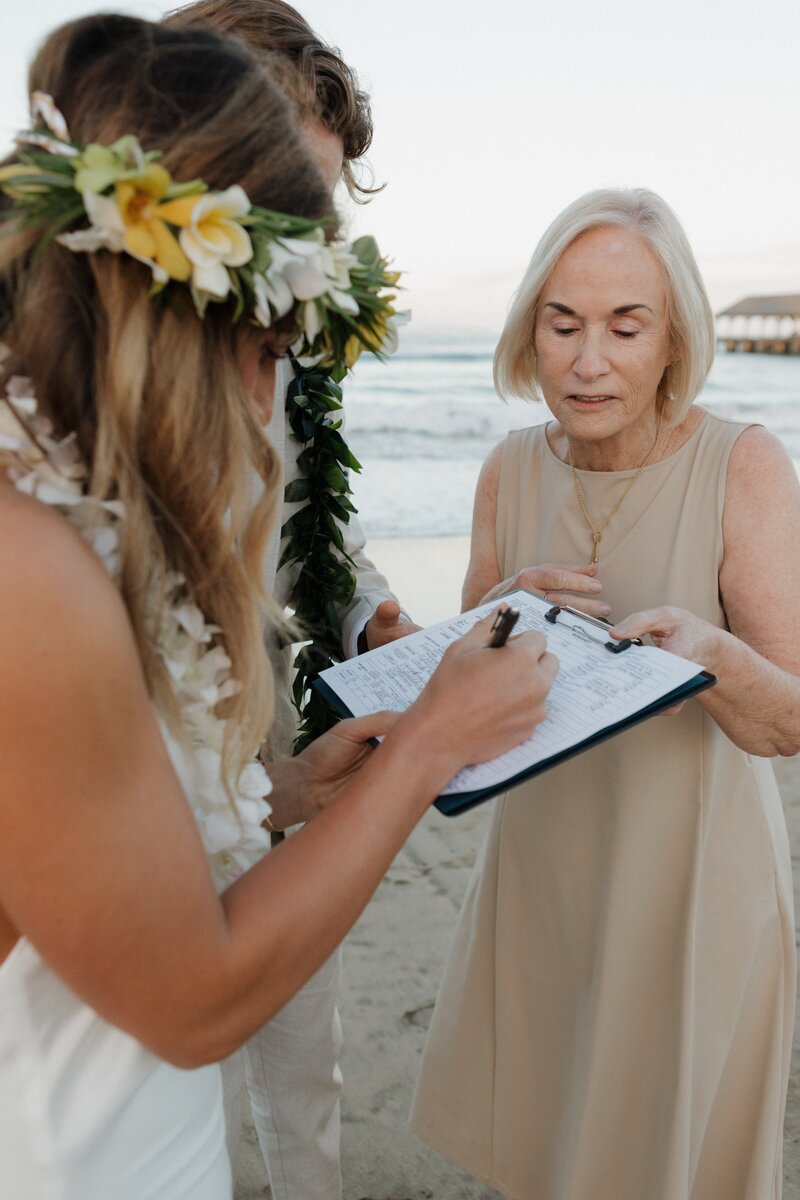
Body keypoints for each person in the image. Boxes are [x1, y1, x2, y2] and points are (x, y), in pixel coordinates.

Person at [0, 14, 557, 1198]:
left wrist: (291, 792)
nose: (276, 399)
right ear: (184, 311)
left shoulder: (76, 510)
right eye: (276, 340)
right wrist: (435, 747)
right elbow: (195, 1004)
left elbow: (76, 851)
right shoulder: (31, 574)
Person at [411, 188, 800, 1200]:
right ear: (527, 330)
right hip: (539, 873)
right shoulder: (505, 469)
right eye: (562, 323)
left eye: (625, 327)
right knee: (542, 1153)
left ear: (673, 339)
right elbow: (464, 716)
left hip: (690, 883)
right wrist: (491, 615)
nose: (589, 362)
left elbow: (787, 721)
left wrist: (709, 656)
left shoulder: (743, 466)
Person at [163, 4, 416, 1195]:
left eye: (321, 203)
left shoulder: (290, 353)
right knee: (167, 1073)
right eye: (281, 200)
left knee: (300, 1064)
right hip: (152, 773)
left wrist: (370, 614)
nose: (305, 245)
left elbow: (318, 520)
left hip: (272, 732)